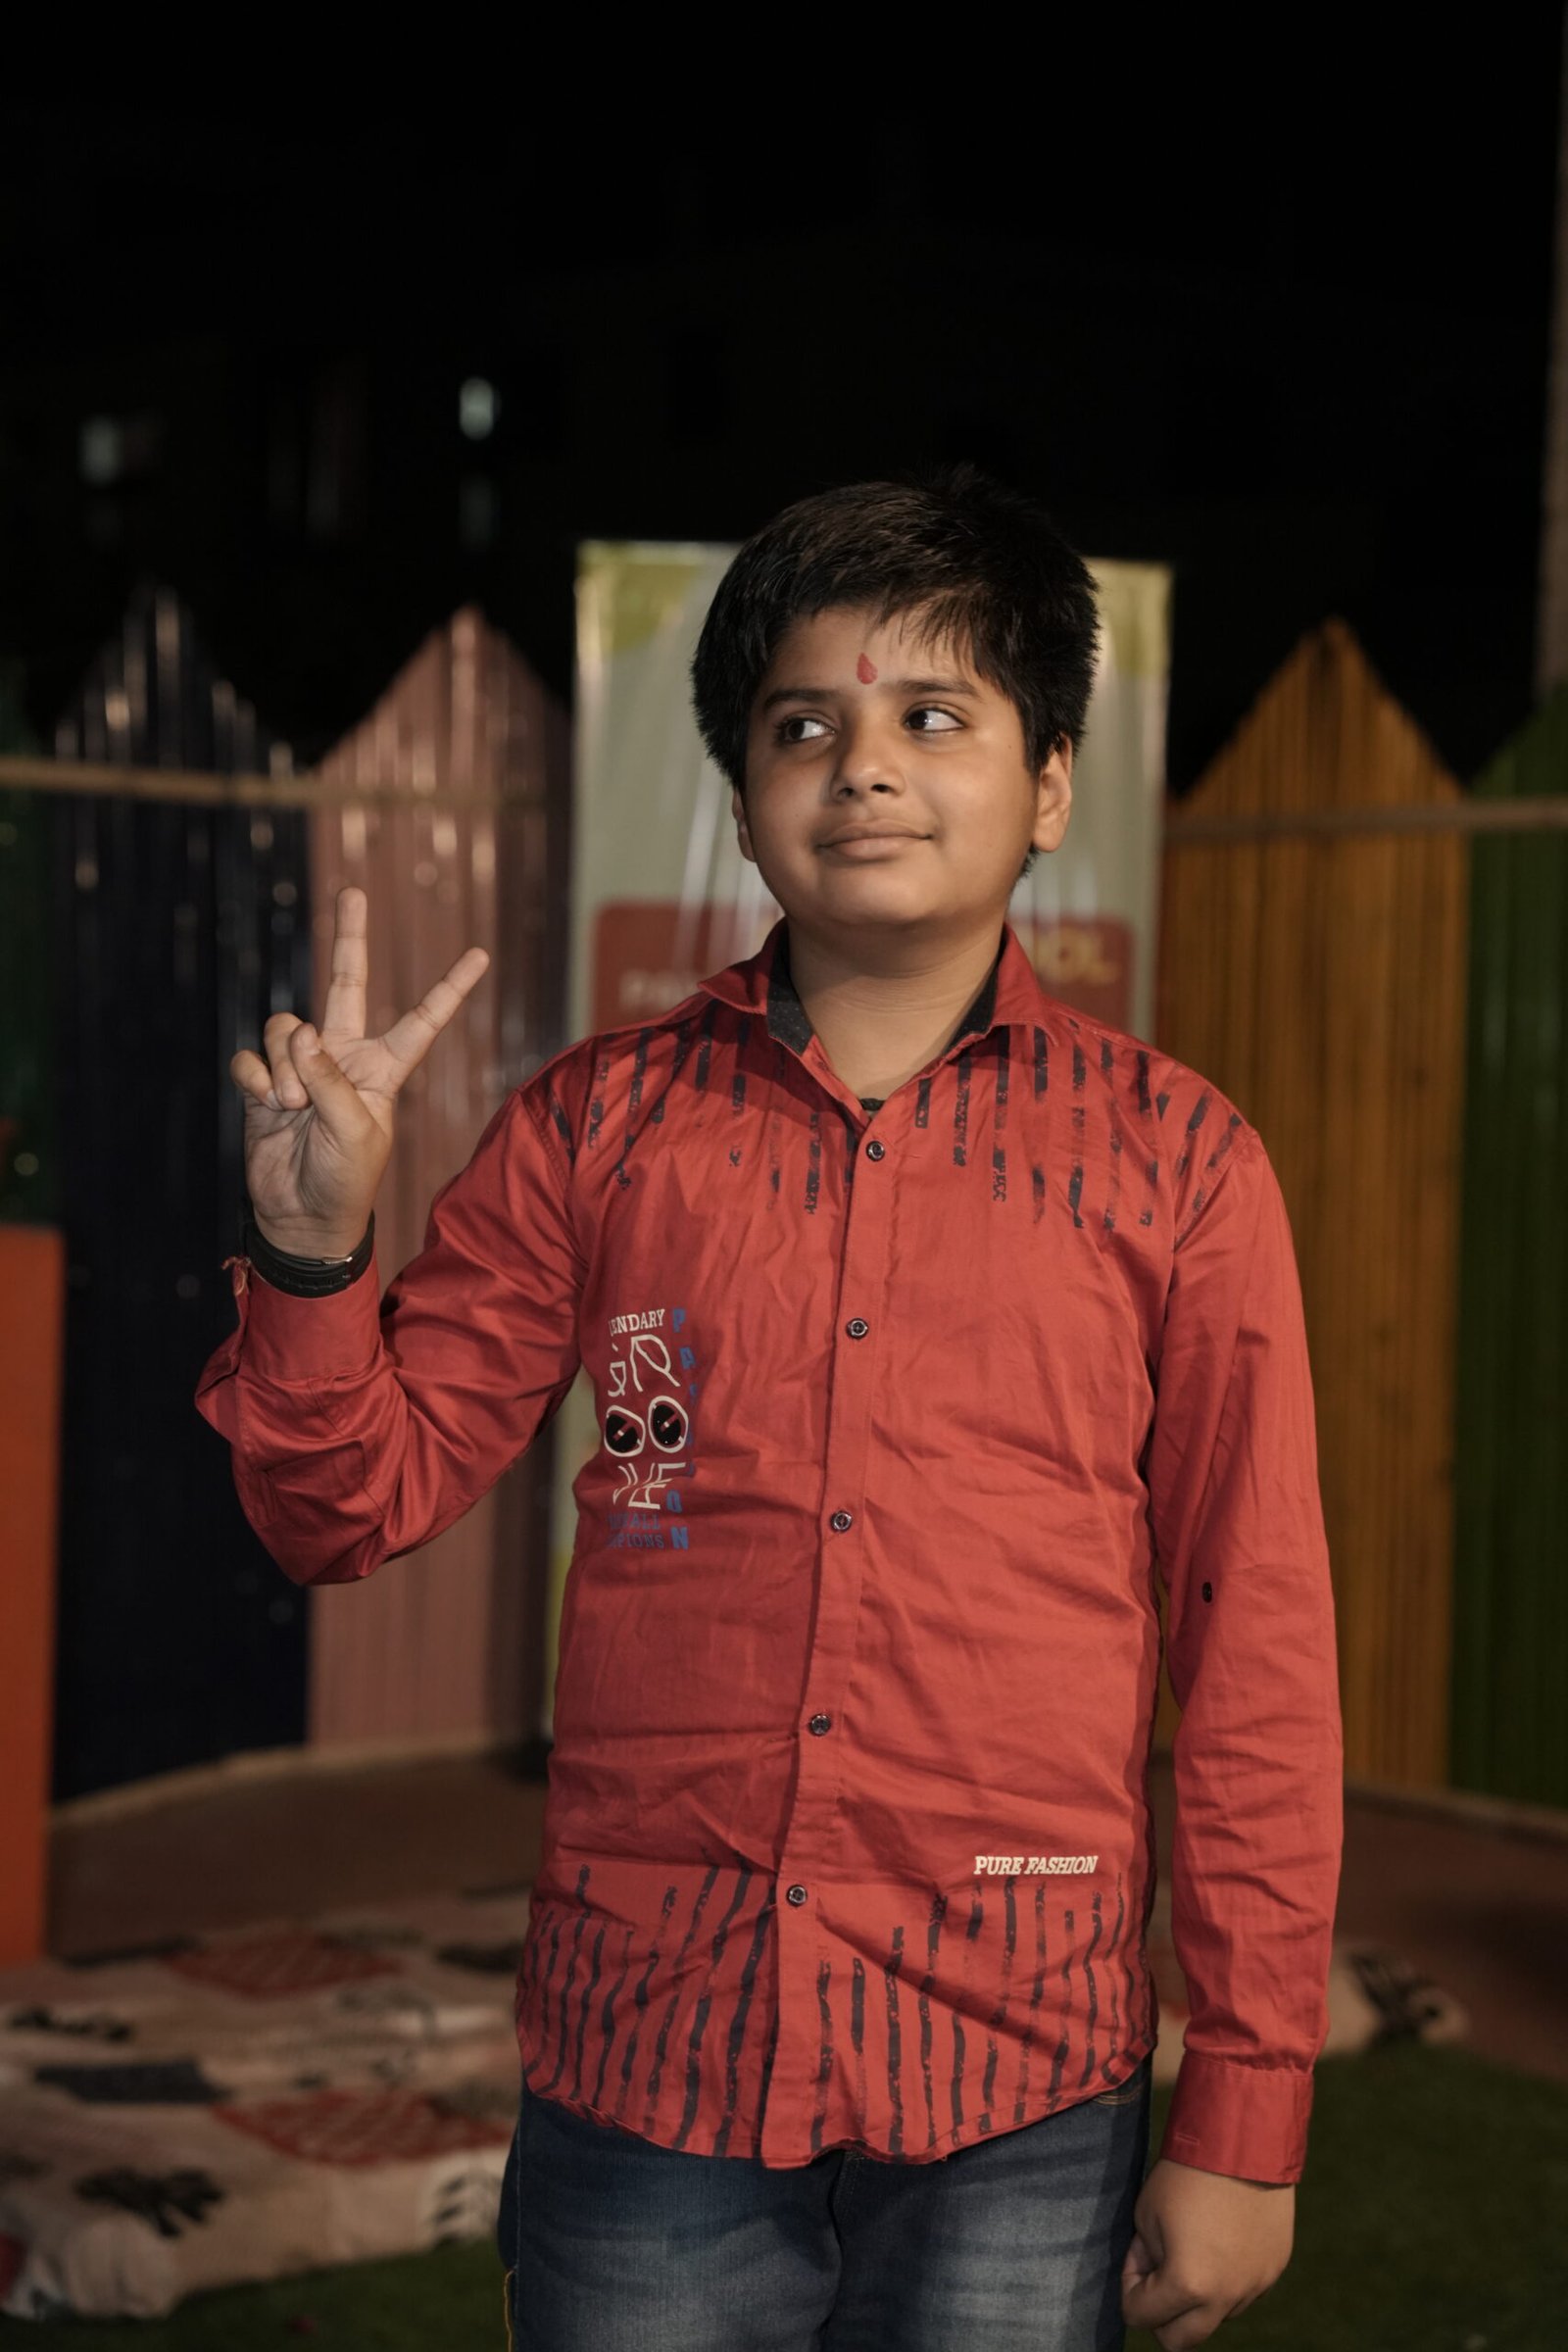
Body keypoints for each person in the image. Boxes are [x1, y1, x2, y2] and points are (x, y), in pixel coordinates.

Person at [196, 469, 1343, 2351]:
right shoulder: (595, 1130)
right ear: (744, 800)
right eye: (803, 725)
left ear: (1051, 785)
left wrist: (1247, 2111)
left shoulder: (1180, 1168)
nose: (863, 765)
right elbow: (342, 1507)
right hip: (653, 2053)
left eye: (935, 717)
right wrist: (312, 1257)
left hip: (1020, 2073)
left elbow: (1257, 1654)